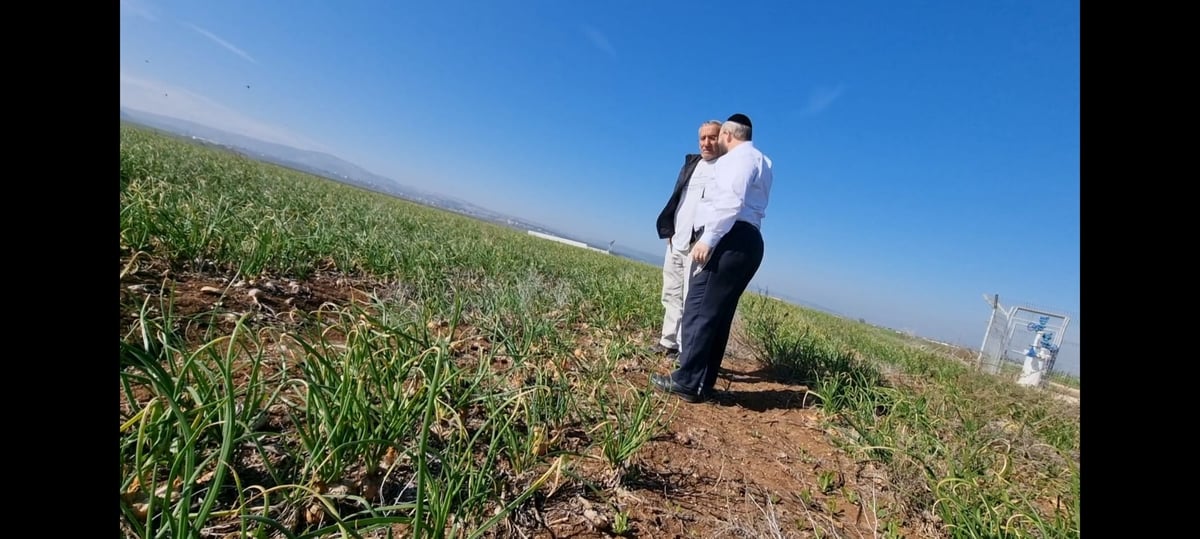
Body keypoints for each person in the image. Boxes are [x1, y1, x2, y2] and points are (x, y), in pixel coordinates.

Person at [651, 113, 773, 402]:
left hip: (730, 237)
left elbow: (731, 201)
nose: (714, 142)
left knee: (698, 308)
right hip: (750, 240)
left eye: (718, 137)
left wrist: (708, 238)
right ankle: (702, 383)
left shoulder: (738, 159)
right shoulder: (763, 161)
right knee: (718, 315)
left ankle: (686, 381)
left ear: (728, 135)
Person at [652, 120, 725, 359]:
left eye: (712, 137)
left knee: (691, 299)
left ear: (722, 139)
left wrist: (707, 240)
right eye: (703, 138)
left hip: (699, 247)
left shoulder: (725, 170)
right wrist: (671, 230)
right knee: (671, 292)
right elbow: (679, 200)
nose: (706, 142)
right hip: (676, 241)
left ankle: (685, 350)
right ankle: (668, 341)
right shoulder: (691, 165)